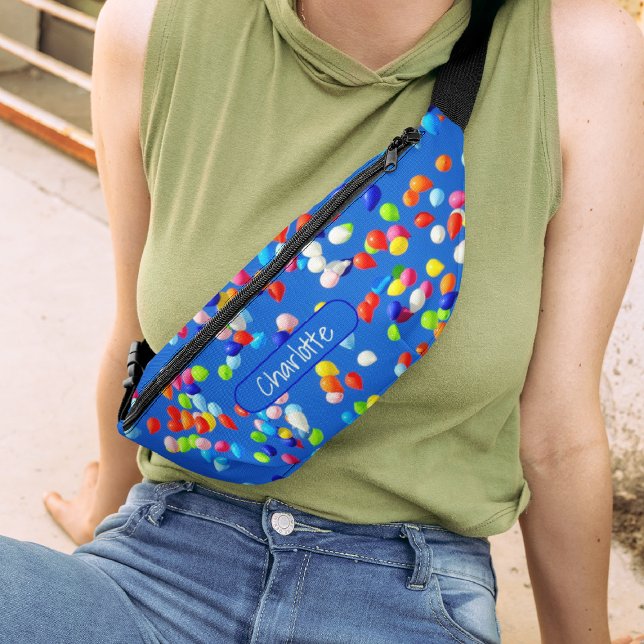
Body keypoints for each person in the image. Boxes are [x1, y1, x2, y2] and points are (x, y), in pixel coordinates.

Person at [1, 0, 642, 642]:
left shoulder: (582, 57)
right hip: (162, 559)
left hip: (406, 593)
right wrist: (102, 525)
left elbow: (558, 436)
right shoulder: (150, 26)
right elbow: (140, 343)